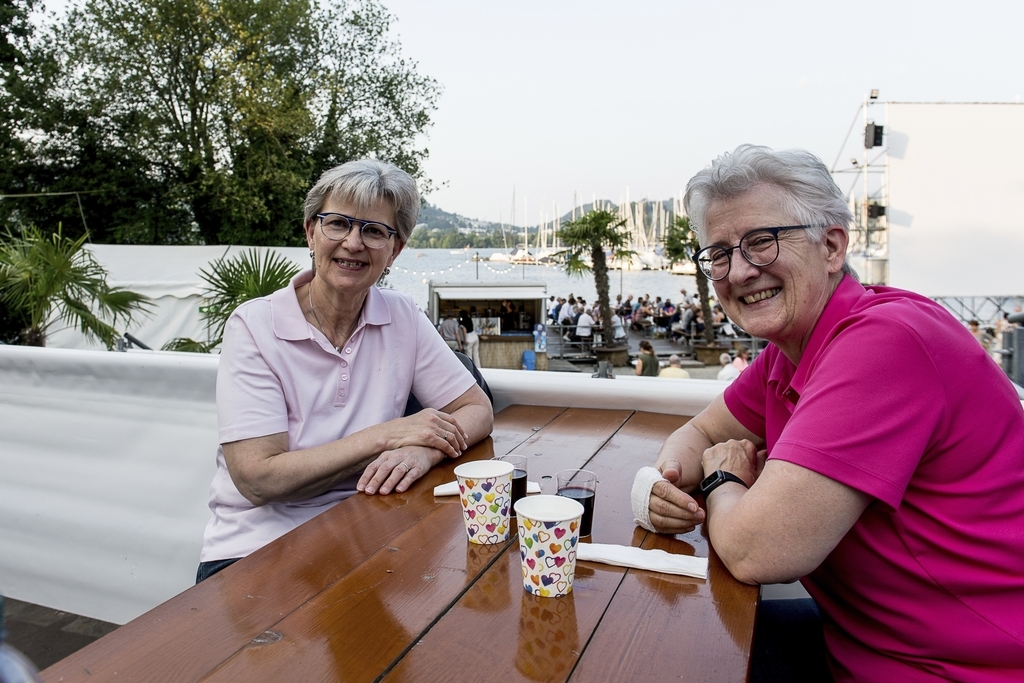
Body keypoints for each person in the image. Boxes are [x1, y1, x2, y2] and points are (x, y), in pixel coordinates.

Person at [641, 144, 1024, 681]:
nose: (740, 271)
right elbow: (700, 431)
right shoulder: (791, 351)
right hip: (863, 642)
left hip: (969, 665)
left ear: (832, 246)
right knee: (664, 653)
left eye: (761, 242)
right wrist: (672, 485)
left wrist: (722, 476)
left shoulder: (887, 344)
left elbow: (758, 551)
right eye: (720, 253)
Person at [197, 159, 494, 582]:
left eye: (374, 231)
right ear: (311, 232)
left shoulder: (402, 315)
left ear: (395, 250)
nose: (353, 243)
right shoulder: (254, 326)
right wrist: (388, 435)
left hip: (370, 524)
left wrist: (422, 451)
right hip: (256, 551)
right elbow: (257, 478)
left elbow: (476, 409)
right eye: (338, 224)